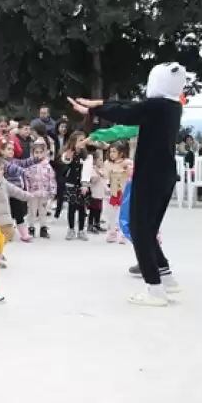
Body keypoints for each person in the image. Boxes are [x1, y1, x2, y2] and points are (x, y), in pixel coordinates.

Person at [68, 61, 186, 307]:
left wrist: (94, 109)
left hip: (150, 176)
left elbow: (126, 112)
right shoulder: (171, 106)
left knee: (139, 229)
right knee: (148, 229)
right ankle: (166, 278)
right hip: (163, 175)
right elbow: (130, 108)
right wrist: (97, 107)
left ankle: (154, 290)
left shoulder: (157, 107)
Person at [59, 131, 92, 241]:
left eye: (84, 140)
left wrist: (85, 184)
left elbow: (87, 171)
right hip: (71, 184)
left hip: (82, 185)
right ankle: (71, 229)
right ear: (73, 142)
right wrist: (69, 156)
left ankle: (81, 230)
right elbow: (65, 160)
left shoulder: (87, 156)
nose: (83, 142)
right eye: (80, 140)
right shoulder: (69, 153)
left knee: (82, 208)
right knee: (71, 208)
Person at [24, 141, 57, 239]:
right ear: (32, 153)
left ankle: (43, 228)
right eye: (36, 152)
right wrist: (26, 191)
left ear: (45, 153)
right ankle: (31, 227)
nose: (38, 154)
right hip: (32, 193)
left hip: (44, 193)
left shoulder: (48, 166)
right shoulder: (29, 165)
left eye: (40, 152)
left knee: (43, 211)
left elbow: (52, 178)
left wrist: (52, 191)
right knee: (32, 211)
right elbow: (26, 178)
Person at [104, 142, 133, 243]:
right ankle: (112, 233)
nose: (111, 154)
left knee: (123, 214)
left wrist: (126, 166)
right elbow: (105, 176)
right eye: (110, 151)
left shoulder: (127, 162)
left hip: (124, 192)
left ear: (121, 153)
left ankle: (124, 234)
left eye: (114, 151)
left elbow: (132, 172)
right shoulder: (108, 163)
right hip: (113, 192)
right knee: (111, 214)